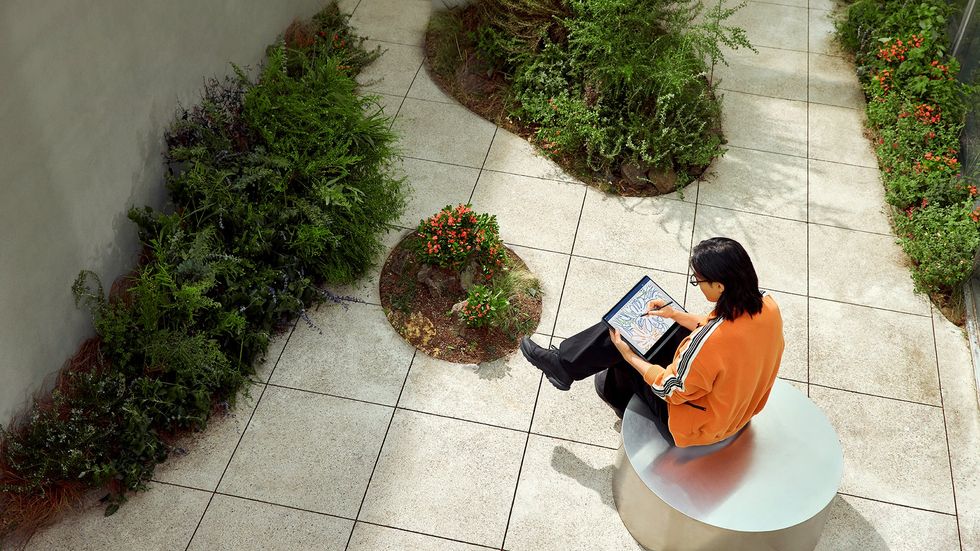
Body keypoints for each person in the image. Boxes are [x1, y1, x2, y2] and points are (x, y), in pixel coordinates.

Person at [520, 237, 785, 447]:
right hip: (737, 408)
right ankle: (566, 366)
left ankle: (575, 373)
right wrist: (674, 315)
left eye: (698, 280)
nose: (697, 284)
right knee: (651, 330)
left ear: (720, 286)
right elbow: (718, 330)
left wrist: (630, 356)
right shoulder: (767, 305)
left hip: (698, 426)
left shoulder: (710, 342)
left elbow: (671, 388)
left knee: (625, 342)